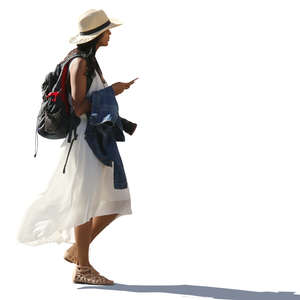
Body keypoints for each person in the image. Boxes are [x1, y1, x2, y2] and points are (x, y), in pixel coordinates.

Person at [17, 9, 138, 285]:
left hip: (97, 138)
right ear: (96, 35)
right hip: (85, 140)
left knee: (116, 201)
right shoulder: (79, 64)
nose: (110, 35)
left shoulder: (89, 62)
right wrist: (112, 91)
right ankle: (83, 268)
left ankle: (76, 252)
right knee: (85, 204)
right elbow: (79, 105)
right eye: (107, 31)